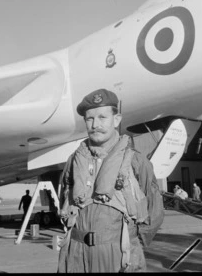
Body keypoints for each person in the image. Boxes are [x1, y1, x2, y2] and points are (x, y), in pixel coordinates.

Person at [57, 88, 164, 273]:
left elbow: (155, 209)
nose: (95, 124)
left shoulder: (136, 161)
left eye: (102, 117)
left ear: (116, 119)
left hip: (119, 254)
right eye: (89, 119)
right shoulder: (74, 160)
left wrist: (134, 243)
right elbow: (64, 196)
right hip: (75, 253)